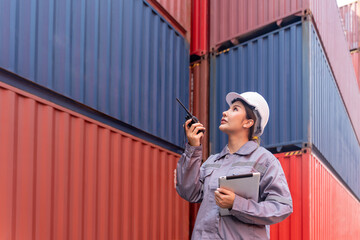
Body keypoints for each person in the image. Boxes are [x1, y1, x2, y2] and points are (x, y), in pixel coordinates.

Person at [176, 91, 293, 239]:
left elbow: (282, 207)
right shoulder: (213, 161)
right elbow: (188, 191)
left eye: (235, 109)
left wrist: (236, 204)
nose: (225, 112)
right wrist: (193, 147)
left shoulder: (264, 160)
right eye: (229, 108)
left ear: (248, 122)